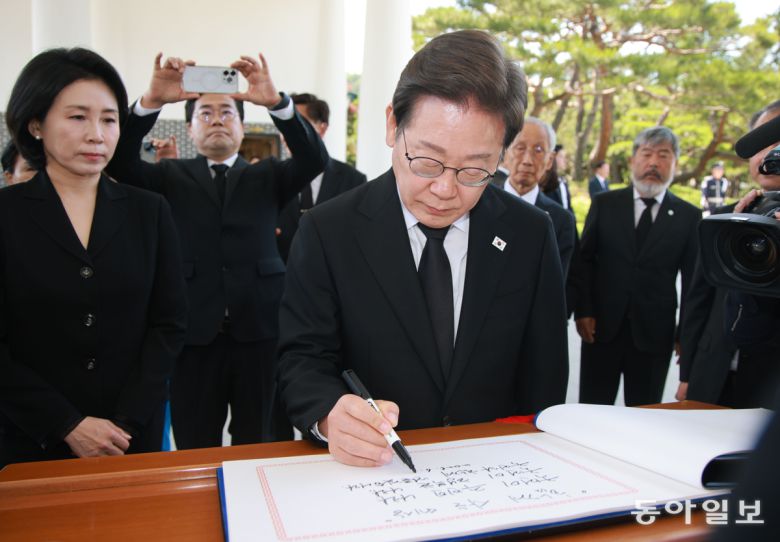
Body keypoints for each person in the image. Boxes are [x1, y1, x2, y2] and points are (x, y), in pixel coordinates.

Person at [277, 30, 568, 468]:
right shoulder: (328, 229)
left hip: (494, 470)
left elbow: (545, 372)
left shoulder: (530, 231)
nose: (445, 189)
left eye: (475, 170)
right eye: (427, 161)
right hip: (374, 472)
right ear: (393, 125)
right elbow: (302, 358)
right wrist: (329, 414)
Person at [106, 52, 328, 448]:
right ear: (189, 130)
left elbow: (314, 157)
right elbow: (119, 160)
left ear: (242, 127)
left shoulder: (269, 176)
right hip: (192, 334)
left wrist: (276, 102)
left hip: (260, 332)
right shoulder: (167, 177)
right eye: (204, 114)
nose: (217, 121)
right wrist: (151, 102)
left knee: (260, 437)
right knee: (194, 440)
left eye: (227, 112)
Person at [0, 47, 187, 467]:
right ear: (35, 124)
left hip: (130, 435)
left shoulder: (149, 211)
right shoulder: (7, 215)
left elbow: (169, 324)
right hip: (31, 437)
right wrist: (66, 424)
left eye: (108, 119)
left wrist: (125, 421)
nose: (96, 134)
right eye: (77, 117)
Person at [574, 126, 700, 406]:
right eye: (647, 154)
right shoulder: (605, 204)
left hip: (655, 335)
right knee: (592, 410)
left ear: (675, 164)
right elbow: (584, 261)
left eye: (663, 156)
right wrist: (584, 310)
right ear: (633, 160)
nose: (654, 163)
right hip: (601, 329)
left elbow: (694, 283)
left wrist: (685, 335)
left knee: (645, 413)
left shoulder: (688, 217)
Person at [678, 101, 780, 409]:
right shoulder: (723, 220)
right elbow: (698, 300)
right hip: (714, 374)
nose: (770, 154)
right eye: (762, 142)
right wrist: (687, 373)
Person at [276, 92, 367, 262]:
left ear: (322, 128)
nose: (290, 134)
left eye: (299, 124)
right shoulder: (273, 176)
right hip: (280, 279)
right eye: (286, 126)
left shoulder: (353, 180)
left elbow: (358, 236)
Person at [493, 117, 576, 278]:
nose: (527, 160)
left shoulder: (561, 221)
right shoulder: (480, 204)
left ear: (550, 160)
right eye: (520, 148)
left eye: (538, 150)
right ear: (505, 152)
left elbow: (555, 286)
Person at [541, 143, 575, 220]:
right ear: (553, 157)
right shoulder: (545, 182)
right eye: (561, 157)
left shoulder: (563, 181)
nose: (564, 160)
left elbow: (568, 206)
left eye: (565, 157)